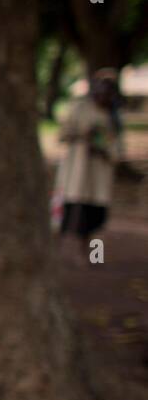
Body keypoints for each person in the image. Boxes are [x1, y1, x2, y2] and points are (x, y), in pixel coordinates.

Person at [54, 68, 122, 266]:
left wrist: (104, 149)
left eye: (108, 92)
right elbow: (63, 134)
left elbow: (117, 149)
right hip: (76, 174)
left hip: (99, 177)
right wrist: (84, 135)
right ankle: (55, 254)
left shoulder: (113, 117)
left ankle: (94, 257)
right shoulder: (79, 109)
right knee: (65, 216)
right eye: (101, 91)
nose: (104, 96)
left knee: (96, 222)